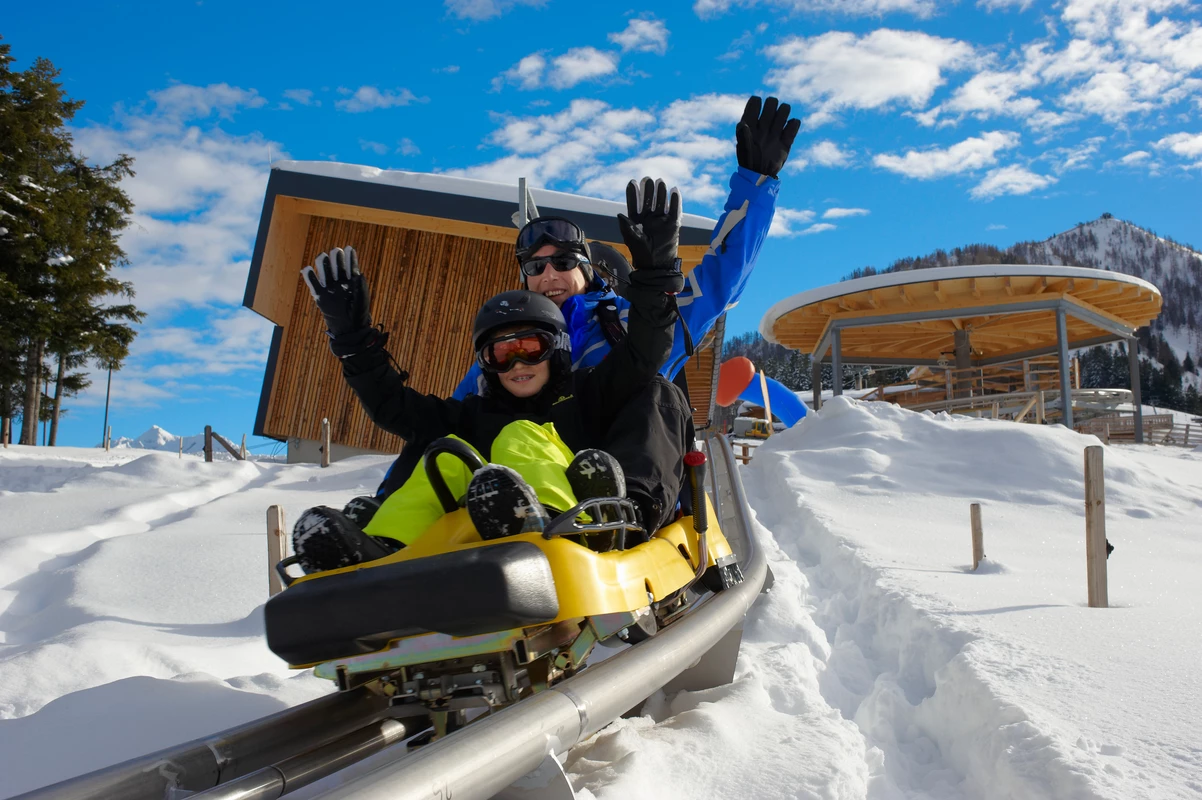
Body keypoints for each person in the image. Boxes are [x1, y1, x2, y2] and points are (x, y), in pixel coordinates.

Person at [373, 95, 801, 510]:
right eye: (535, 268)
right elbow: (455, 424)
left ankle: (625, 511)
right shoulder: (511, 349)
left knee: (654, 389)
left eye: (562, 262)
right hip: (517, 494)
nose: (549, 276)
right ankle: (380, 535)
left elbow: (722, 280)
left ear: (587, 270)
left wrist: (755, 184)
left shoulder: (634, 320)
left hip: (614, 486)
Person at [291, 179, 686, 574]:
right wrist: (354, 341)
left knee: (529, 430)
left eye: (530, 349)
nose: (517, 364)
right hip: (488, 504)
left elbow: (646, 353)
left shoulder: (585, 392)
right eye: (500, 354)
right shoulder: (476, 413)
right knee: (444, 453)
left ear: (557, 350)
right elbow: (393, 407)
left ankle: (559, 522)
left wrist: (655, 271)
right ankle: (384, 547)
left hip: (572, 514)